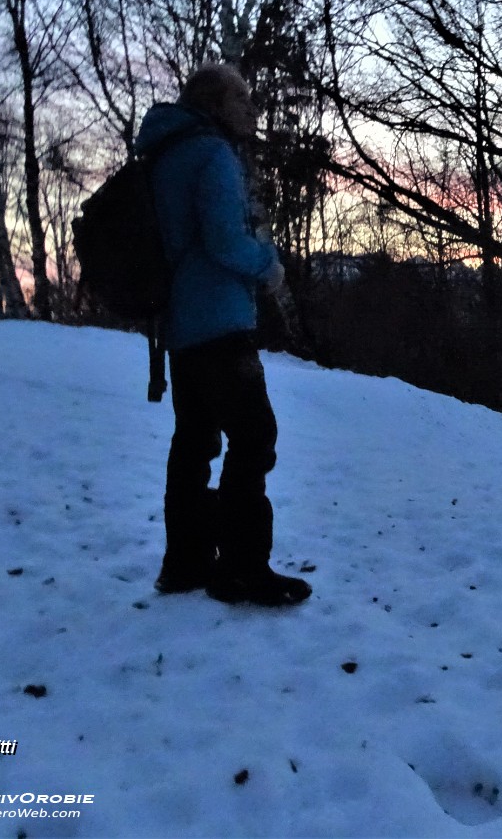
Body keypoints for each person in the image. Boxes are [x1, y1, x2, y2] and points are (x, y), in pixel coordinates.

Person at [134, 62, 311, 607]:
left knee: (194, 442)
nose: (251, 109)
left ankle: (185, 563)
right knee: (253, 437)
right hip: (218, 323)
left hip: (181, 329)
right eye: (242, 98)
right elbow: (224, 243)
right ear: (214, 103)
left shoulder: (165, 152)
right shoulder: (210, 153)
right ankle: (242, 567)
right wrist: (269, 262)